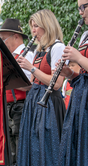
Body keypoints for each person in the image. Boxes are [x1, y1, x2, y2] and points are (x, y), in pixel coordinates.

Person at [16, 9, 66, 166]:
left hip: (49, 104)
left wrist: (31, 68)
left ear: (47, 25)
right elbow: (33, 82)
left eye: (36, 25)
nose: (33, 30)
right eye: (32, 26)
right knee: (33, 147)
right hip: (34, 102)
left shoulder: (57, 47)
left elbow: (56, 83)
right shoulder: (40, 50)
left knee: (46, 149)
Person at [57, 0, 88, 166]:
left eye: (84, 7)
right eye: (78, 8)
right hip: (83, 100)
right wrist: (70, 74)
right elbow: (84, 73)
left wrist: (79, 57)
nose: (81, 12)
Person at [0, 18, 35, 166]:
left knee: (20, 145)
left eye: (5, 39)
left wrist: (9, 78)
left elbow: (32, 84)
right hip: (8, 105)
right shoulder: (9, 57)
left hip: (20, 105)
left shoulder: (27, 54)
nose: (3, 42)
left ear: (16, 36)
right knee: (10, 148)